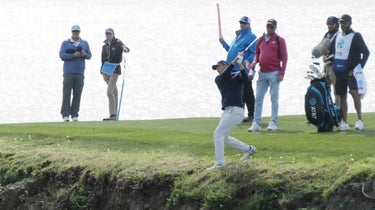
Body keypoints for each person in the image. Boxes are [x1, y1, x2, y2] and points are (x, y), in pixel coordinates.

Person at [206, 54, 257, 170]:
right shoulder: (219, 79)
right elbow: (226, 74)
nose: (217, 70)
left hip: (236, 110)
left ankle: (220, 164)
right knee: (224, 137)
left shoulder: (237, 75)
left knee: (217, 134)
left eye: (218, 67)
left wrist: (240, 64)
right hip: (226, 112)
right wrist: (234, 61)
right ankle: (249, 150)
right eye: (216, 68)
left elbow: (245, 79)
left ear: (224, 66)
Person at [248, 19, 288, 132]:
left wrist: (282, 73)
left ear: (275, 28)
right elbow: (257, 54)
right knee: (259, 98)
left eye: (271, 27)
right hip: (262, 73)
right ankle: (256, 123)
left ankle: (273, 122)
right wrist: (255, 61)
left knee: (274, 98)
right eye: (268, 26)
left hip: (275, 73)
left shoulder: (280, 40)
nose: (269, 28)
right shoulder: (260, 40)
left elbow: (284, 58)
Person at [331, 14, 370, 131]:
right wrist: (328, 57)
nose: (343, 25)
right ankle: (345, 122)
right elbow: (335, 51)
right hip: (339, 72)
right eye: (342, 23)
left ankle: (360, 120)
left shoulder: (356, 36)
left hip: (351, 72)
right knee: (342, 96)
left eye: (345, 23)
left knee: (354, 93)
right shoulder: (337, 36)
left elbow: (366, 53)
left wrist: (358, 69)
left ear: (350, 23)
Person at [219, 16, 257, 123]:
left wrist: (244, 61)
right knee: (237, 94)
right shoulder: (237, 37)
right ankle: (239, 115)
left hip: (243, 70)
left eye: (244, 23)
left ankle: (251, 115)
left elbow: (254, 54)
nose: (242, 24)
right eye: (241, 23)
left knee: (247, 92)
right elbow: (231, 51)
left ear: (249, 25)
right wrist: (223, 43)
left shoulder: (252, 37)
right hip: (233, 70)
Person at [59, 25, 92, 122]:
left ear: (79, 32)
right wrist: (73, 55)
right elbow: (62, 55)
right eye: (74, 31)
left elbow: (89, 56)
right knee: (66, 94)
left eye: (77, 31)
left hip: (80, 73)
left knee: (77, 94)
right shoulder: (65, 43)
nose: (75, 33)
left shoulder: (84, 43)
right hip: (68, 72)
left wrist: (84, 54)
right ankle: (65, 115)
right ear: (71, 32)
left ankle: (74, 115)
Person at [101, 28, 130, 121]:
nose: (108, 35)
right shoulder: (104, 46)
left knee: (109, 92)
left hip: (115, 69)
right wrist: (101, 71)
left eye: (110, 34)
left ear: (113, 34)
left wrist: (125, 48)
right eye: (107, 34)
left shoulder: (118, 42)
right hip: (106, 70)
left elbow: (126, 48)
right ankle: (115, 115)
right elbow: (102, 59)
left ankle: (112, 114)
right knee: (114, 92)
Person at [322, 16, 340, 106]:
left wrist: (328, 57)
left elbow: (339, 52)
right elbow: (323, 47)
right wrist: (324, 54)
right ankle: (327, 111)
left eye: (332, 24)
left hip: (335, 66)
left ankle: (338, 114)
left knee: (337, 92)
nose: (329, 26)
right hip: (327, 66)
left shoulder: (339, 35)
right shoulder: (327, 34)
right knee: (325, 90)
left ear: (337, 24)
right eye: (328, 24)